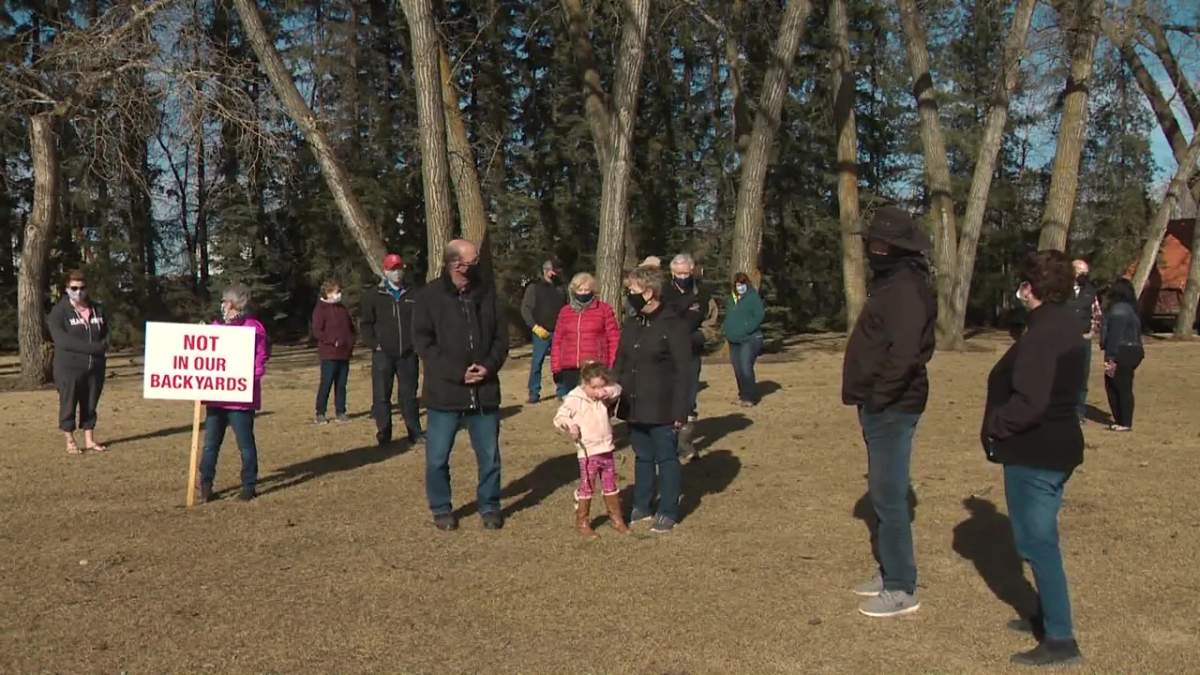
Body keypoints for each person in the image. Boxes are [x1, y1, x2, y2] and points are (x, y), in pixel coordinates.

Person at [981, 250, 1087, 666]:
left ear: (1031, 288)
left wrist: (997, 426)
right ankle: (1047, 615)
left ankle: (1061, 638)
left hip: (1037, 451)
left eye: (1023, 283)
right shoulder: (1060, 325)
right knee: (1038, 540)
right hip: (1053, 447)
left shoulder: (1044, 334)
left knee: (1037, 542)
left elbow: (1031, 402)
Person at [841, 206, 936, 618]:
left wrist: (880, 397)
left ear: (897, 248)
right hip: (881, 404)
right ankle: (890, 570)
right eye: (871, 242)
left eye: (880, 244)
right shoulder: (892, 283)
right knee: (884, 495)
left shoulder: (906, 290)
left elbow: (906, 354)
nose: (873, 249)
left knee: (889, 496)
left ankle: (901, 587)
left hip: (893, 407)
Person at [412, 239, 509, 531]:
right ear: (456, 263)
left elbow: (500, 338)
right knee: (437, 458)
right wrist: (457, 373)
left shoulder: (487, 292)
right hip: (445, 394)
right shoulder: (429, 296)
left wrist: (488, 367)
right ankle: (441, 507)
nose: (477, 265)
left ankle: (490, 505)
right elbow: (423, 343)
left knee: (490, 458)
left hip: (485, 393)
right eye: (472, 260)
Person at [614, 266, 692, 534]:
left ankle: (668, 510)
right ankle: (642, 504)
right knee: (642, 456)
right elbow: (621, 361)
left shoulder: (673, 324)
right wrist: (611, 391)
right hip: (634, 404)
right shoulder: (633, 324)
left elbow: (685, 372)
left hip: (663, 405)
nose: (628, 295)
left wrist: (682, 410)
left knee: (666, 457)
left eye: (632, 291)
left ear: (649, 292)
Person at [199, 283, 270, 502]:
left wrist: (249, 379)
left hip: (240, 401)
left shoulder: (254, 329)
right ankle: (205, 484)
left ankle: (249, 484)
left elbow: (260, 359)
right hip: (217, 400)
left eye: (228, 303)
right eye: (223, 302)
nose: (224, 307)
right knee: (211, 445)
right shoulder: (215, 328)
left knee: (245, 445)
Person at [553, 361, 630, 539]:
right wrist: (570, 426)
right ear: (584, 384)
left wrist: (606, 391)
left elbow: (617, 388)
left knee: (610, 484)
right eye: (594, 387)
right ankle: (583, 522)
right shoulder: (574, 398)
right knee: (587, 486)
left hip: (607, 448)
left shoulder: (603, 394)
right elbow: (560, 417)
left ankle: (616, 518)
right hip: (588, 451)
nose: (598, 391)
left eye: (601, 387)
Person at [361, 253, 424, 447]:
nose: (396, 273)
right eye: (392, 269)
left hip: (407, 354)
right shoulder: (373, 295)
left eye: (399, 268)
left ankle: (414, 432)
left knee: (409, 396)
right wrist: (374, 344)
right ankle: (384, 433)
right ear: (385, 271)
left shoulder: (413, 294)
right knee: (381, 395)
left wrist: (416, 344)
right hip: (383, 354)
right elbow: (366, 324)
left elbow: (422, 321)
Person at [47, 270, 109, 454]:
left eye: (82, 288)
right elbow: (62, 341)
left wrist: (103, 346)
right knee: (68, 403)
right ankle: (70, 440)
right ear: (67, 289)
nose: (79, 292)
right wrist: (94, 348)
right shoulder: (59, 312)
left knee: (90, 404)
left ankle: (89, 439)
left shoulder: (98, 309)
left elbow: (107, 333)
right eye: (74, 288)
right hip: (68, 368)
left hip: (95, 367)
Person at [662, 253, 710, 462]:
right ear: (672, 273)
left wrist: (699, 337)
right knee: (665, 399)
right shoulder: (662, 292)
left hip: (691, 354)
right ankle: (666, 443)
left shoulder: (703, 294)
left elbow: (712, 324)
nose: (682, 276)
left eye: (685, 272)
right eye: (678, 273)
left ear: (692, 271)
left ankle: (685, 443)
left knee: (688, 400)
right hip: (665, 355)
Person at [550, 272, 620, 392]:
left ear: (592, 290)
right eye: (580, 290)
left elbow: (614, 339)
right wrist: (556, 367)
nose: (583, 293)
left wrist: (612, 365)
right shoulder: (565, 312)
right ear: (574, 291)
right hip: (570, 368)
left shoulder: (604, 310)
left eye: (586, 290)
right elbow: (558, 340)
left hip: (595, 368)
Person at [1101, 278, 1144, 432]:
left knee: (1119, 386)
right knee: (1118, 385)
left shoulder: (1118, 310)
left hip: (1122, 351)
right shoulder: (1131, 309)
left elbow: (1115, 336)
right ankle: (1122, 420)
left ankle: (1124, 422)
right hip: (1132, 351)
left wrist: (1110, 357)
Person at [521, 259, 566, 403]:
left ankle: (562, 391)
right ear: (546, 271)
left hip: (559, 332)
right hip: (541, 331)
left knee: (559, 363)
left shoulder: (560, 289)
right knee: (537, 363)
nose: (556, 273)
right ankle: (534, 393)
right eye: (554, 270)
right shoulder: (534, 288)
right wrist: (534, 327)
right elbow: (525, 309)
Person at [311, 278, 355, 424]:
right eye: (337, 292)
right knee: (326, 383)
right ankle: (320, 412)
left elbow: (350, 327)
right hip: (329, 354)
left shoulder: (342, 308)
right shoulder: (320, 309)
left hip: (344, 353)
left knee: (341, 385)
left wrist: (350, 342)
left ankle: (341, 411)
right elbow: (317, 331)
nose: (339, 294)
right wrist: (332, 341)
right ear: (328, 293)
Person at [722, 272, 766, 406]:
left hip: (749, 339)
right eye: (738, 284)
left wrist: (747, 328)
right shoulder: (732, 299)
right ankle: (742, 395)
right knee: (738, 368)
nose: (740, 286)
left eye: (742, 284)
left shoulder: (752, 297)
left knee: (746, 366)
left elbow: (759, 315)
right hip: (733, 340)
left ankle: (749, 397)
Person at [1068, 260, 1101, 422]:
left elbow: (1097, 314)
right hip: (1063, 339)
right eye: (1080, 271)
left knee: (1082, 376)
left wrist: (1091, 332)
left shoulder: (1090, 291)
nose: (1083, 275)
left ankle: (1078, 412)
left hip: (1083, 339)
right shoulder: (1060, 290)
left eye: (1086, 272)